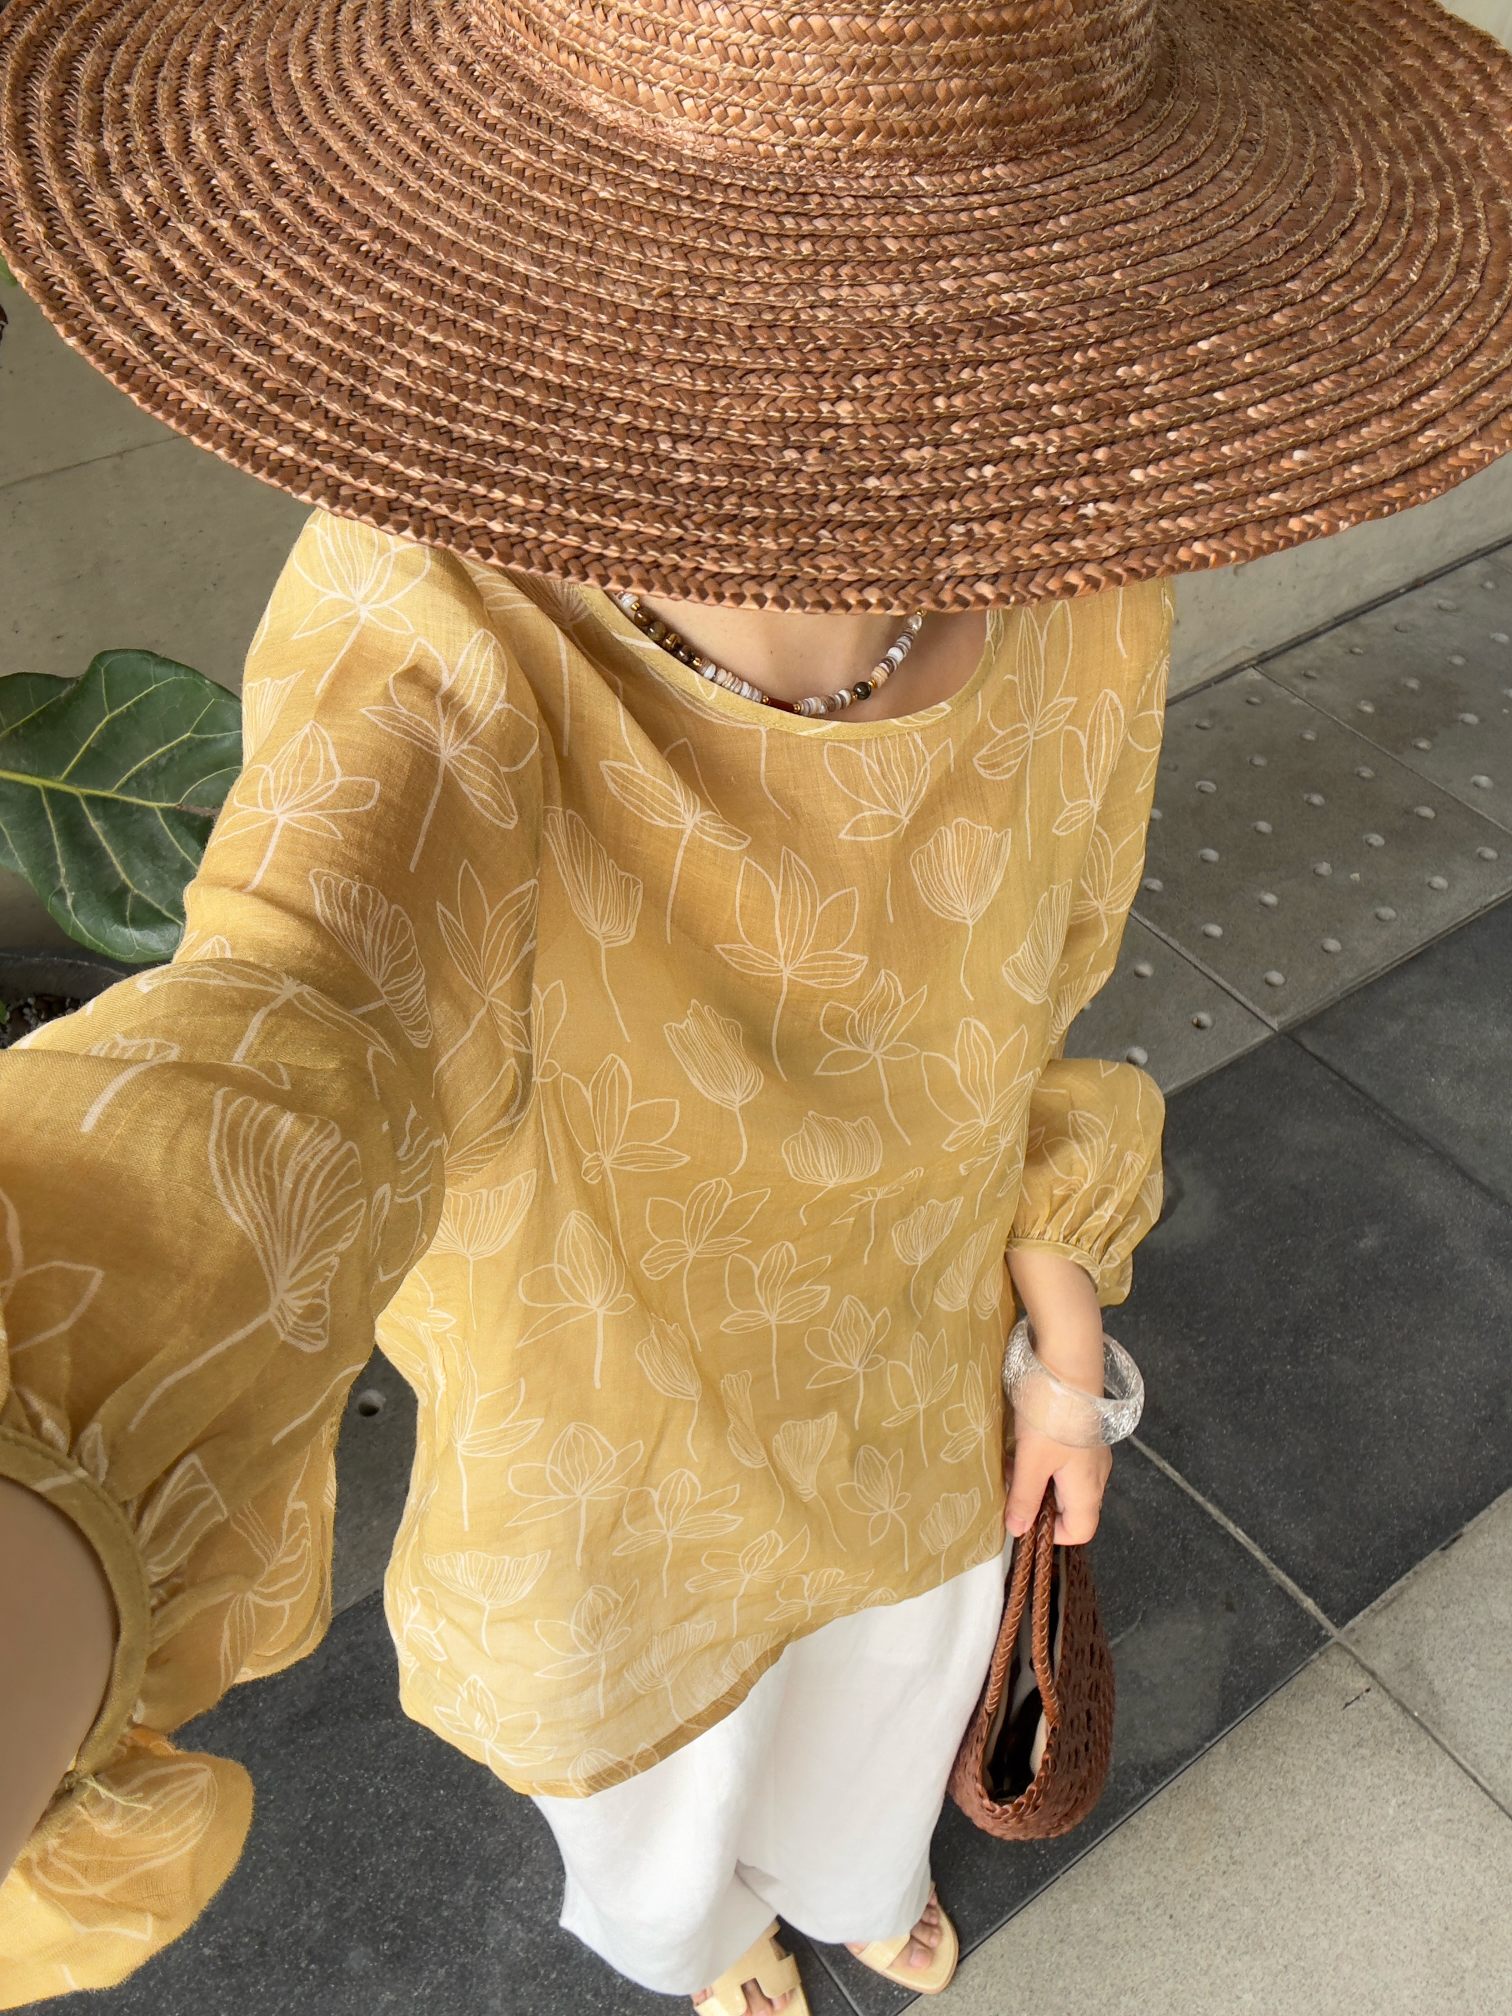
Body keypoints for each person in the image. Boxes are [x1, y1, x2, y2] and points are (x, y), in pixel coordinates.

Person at [1, 3, 1511, 2012]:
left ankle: (849, 1876)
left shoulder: (1076, 563)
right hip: (608, 1477)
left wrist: (1059, 1298)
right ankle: (717, 1949)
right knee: (665, 1824)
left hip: (916, 1392)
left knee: (889, 1714)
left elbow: (1032, 1001)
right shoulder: (429, 638)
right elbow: (283, 1042)